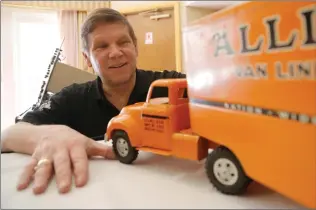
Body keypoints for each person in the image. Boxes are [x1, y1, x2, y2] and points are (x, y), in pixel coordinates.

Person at [1, 8, 185, 195]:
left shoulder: (170, 84)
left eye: (123, 42)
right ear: (87, 58)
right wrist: (48, 135)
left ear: (135, 47)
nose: (115, 52)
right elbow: (7, 136)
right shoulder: (71, 99)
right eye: (102, 46)